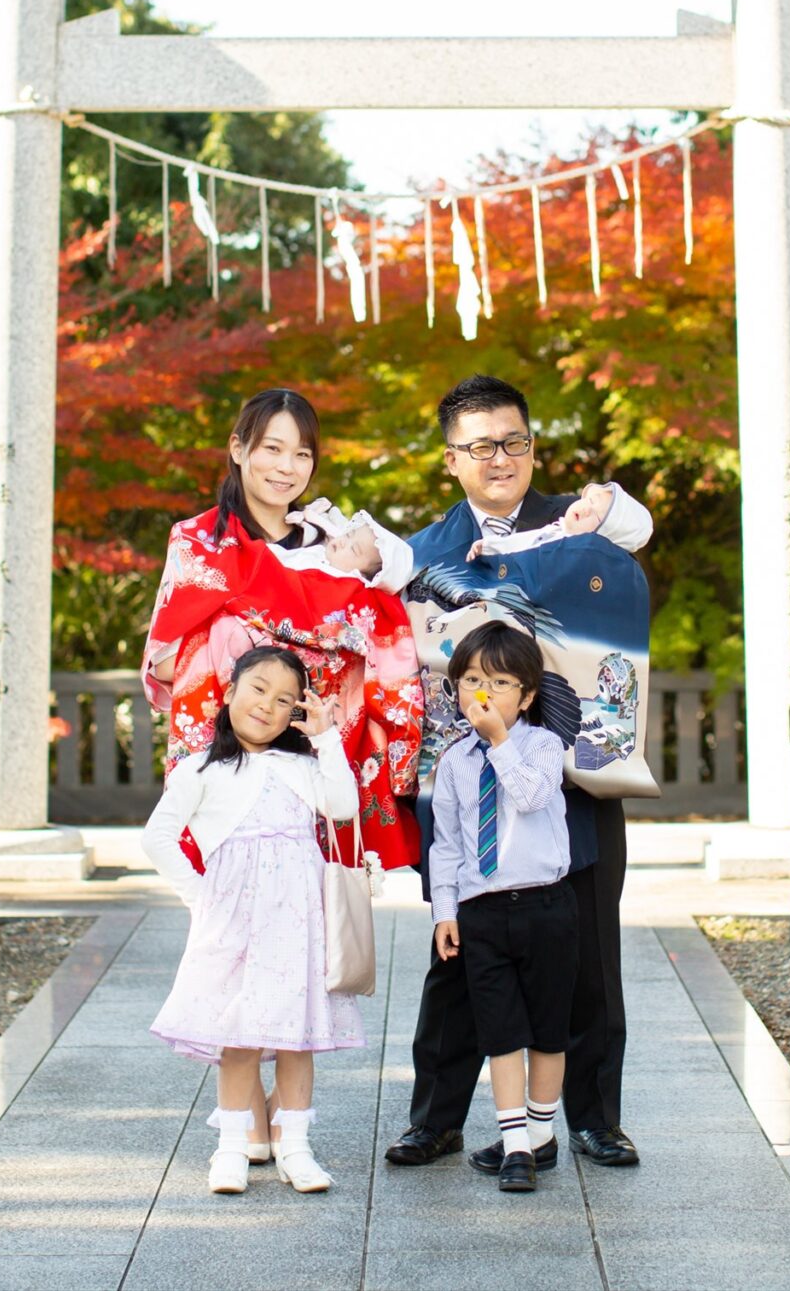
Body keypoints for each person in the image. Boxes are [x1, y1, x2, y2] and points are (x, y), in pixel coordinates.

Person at [141, 387, 424, 1163]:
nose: (286, 465)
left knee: (301, 942)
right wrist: (301, 632)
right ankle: (245, 1107)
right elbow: (175, 653)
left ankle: (272, 1109)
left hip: (311, 754)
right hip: (231, 757)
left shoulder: (332, 533)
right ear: (237, 448)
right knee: (234, 944)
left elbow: (387, 594)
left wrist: (351, 575)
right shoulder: (199, 540)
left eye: (301, 452)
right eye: (270, 446)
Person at [379, 374, 649, 1172]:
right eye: (480, 445)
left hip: (574, 783)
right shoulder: (423, 553)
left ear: (532, 445)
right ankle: (436, 1116)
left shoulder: (580, 523)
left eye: (514, 441)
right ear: (451, 458)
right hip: (471, 799)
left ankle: (597, 1117)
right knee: (460, 956)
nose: (500, 457)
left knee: (591, 953)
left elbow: (636, 524)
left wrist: (608, 499)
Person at [142, 646, 364, 1195]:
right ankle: (232, 1147)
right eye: (258, 689)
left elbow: (342, 805)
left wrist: (326, 736)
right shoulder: (201, 768)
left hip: (297, 922)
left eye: (284, 699)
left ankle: (296, 1145)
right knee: (236, 1037)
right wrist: (201, 899)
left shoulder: (301, 765)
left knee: (297, 1038)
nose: (267, 705)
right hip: (235, 923)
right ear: (229, 692)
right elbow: (158, 837)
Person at [427, 620, 573, 1194]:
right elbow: (448, 844)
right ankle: (516, 1145)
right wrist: (445, 911)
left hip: (547, 906)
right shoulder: (456, 761)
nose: (481, 693)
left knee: (547, 1031)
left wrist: (501, 743)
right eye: (469, 680)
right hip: (482, 910)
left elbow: (532, 795)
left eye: (500, 681)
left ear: (528, 695)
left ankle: (540, 1134)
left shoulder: (542, 745)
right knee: (500, 1030)